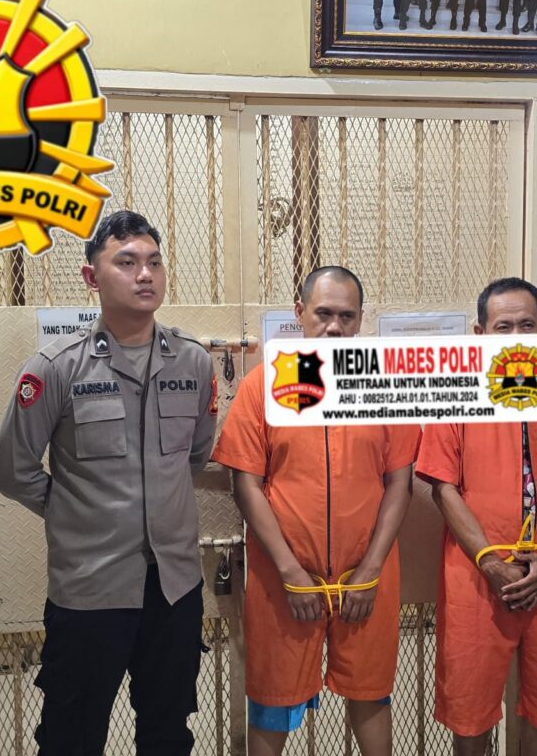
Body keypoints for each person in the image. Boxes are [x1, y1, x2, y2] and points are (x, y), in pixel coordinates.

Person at [0, 210, 217, 755]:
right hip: (90, 590)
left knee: (168, 733)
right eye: (127, 262)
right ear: (91, 277)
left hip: (174, 588)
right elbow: (14, 471)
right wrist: (73, 513)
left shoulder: (193, 362)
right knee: (71, 737)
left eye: (154, 262)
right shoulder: (55, 368)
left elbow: (196, 454)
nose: (145, 275)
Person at [212, 266, 420, 756]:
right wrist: (290, 571)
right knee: (273, 699)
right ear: (299, 312)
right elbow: (246, 484)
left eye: (347, 316)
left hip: (367, 576)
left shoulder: (384, 386)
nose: (334, 327)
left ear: (361, 320)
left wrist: (370, 570)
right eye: (323, 313)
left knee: (371, 693)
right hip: (281, 578)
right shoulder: (264, 385)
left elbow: (400, 484)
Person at [416, 277, 537, 756]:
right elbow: (443, 488)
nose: (516, 335)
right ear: (480, 333)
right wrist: (488, 560)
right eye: (503, 326)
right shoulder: (456, 395)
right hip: (476, 576)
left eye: (527, 325)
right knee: (470, 705)